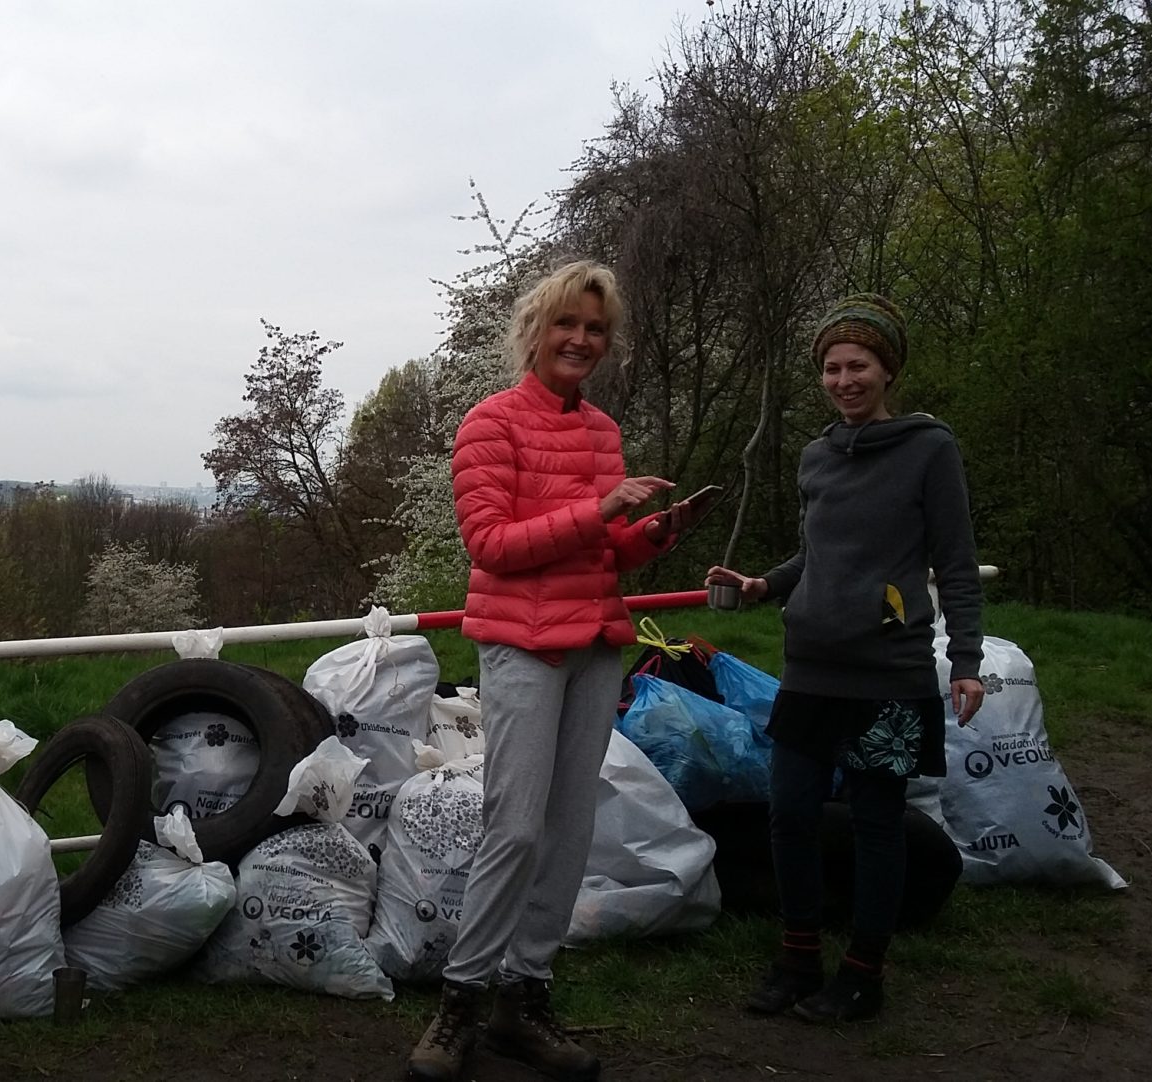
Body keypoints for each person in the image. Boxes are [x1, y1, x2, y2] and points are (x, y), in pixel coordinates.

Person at [409, 260, 705, 1082]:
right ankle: (460, 1002)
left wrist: (653, 534)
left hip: (594, 644)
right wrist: (598, 510)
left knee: (571, 827)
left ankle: (524, 999)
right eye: (567, 324)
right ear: (535, 331)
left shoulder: (603, 431)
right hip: (522, 646)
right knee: (515, 827)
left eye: (596, 329)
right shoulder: (489, 423)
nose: (581, 339)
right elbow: (490, 546)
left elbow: (602, 551)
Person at [706, 293, 984, 1024]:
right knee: (790, 813)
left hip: (887, 674)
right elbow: (816, 553)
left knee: (875, 822)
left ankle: (864, 974)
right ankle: (799, 957)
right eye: (831, 368)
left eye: (857, 365)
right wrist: (765, 584)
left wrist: (966, 658)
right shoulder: (817, 455)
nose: (843, 380)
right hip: (811, 669)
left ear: (886, 369)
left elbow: (956, 562)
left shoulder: (929, 449)